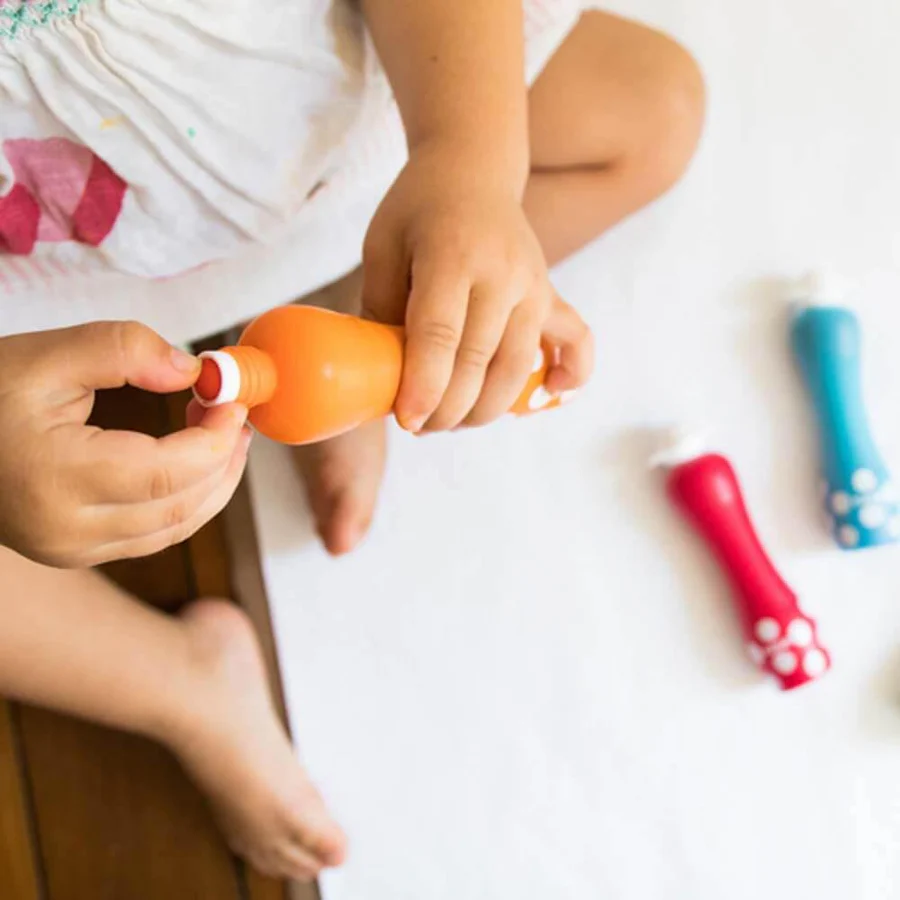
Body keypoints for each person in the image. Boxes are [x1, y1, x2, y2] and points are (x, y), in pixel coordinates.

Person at [0, 0, 705, 883]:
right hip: (55, 269)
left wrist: (469, 166)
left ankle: (369, 333)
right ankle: (184, 684)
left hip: (322, 127)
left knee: (655, 107)